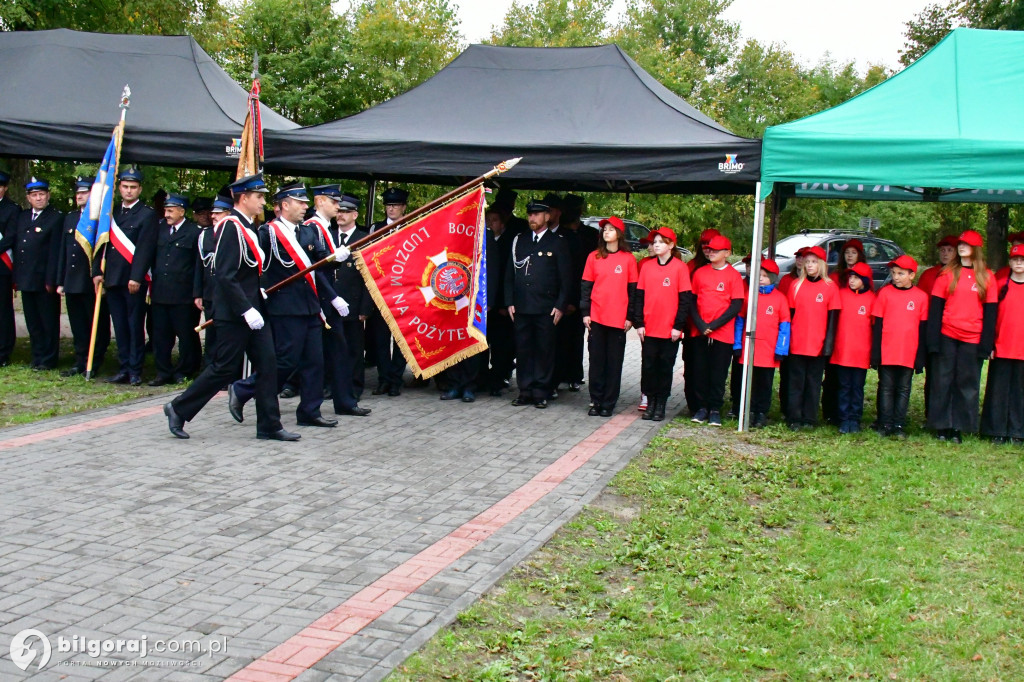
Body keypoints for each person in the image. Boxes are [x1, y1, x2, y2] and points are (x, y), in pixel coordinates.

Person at [164, 173, 297, 441]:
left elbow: (246, 271)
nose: (262, 202)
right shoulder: (230, 227)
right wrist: (245, 309)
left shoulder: (247, 226)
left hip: (253, 309)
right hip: (235, 313)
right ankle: (178, 408)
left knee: (269, 365)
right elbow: (224, 274)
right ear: (244, 198)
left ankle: (269, 425)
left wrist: (256, 292)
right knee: (223, 368)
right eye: (259, 197)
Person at [229, 183, 348, 428]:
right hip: (284, 307)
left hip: (310, 306)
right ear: (284, 205)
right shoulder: (267, 232)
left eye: (306, 202)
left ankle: (309, 411)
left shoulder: (308, 233)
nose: (306, 207)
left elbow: (320, 266)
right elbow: (254, 266)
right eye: (300, 202)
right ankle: (243, 389)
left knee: (315, 361)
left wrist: (336, 259)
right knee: (286, 361)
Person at [306, 184, 371, 417]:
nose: (338, 209)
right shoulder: (312, 229)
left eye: (342, 206)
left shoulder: (328, 230)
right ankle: (246, 389)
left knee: (344, 352)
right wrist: (333, 298)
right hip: (323, 302)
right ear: (321, 202)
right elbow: (315, 271)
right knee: (312, 355)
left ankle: (345, 399)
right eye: (335, 203)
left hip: (342, 303)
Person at [927, 229, 998, 443]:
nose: (961, 247)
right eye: (960, 245)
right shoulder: (947, 274)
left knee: (966, 383)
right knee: (942, 381)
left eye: (966, 245)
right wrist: (933, 340)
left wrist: (987, 344)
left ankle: (959, 426)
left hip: (972, 338)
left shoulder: (987, 276)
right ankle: (941, 426)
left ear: (975, 249)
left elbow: (991, 312)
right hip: (948, 334)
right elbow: (936, 309)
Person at [505, 198, 572, 408]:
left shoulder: (558, 242)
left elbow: (566, 278)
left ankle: (541, 391)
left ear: (547, 217)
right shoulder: (520, 239)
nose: (532, 217)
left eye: (536, 214)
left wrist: (561, 305)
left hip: (546, 307)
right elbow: (509, 274)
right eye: (530, 214)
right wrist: (509, 301)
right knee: (523, 350)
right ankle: (525, 391)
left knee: (544, 351)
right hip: (522, 305)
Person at [94, 166, 158, 386]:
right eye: (125, 186)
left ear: (140, 189)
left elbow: (145, 248)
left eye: (133, 187)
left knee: (134, 326)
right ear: (119, 187)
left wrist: (137, 277)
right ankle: (123, 367)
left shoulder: (147, 214)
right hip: (112, 278)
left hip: (132, 281)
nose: (128, 191)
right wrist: (97, 271)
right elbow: (102, 243)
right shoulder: (112, 213)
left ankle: (135, 369)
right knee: (119, 326)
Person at [632, 227, 691, 422]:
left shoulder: (680, 268)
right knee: (648, 366)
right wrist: (639, 323)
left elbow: (684, 300)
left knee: (665, 367)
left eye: (660, 242)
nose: (655, 245)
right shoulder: (647, 266)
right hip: (649, 328)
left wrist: (678, 326)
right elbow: (639, 297)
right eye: (654, 242)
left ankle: (661, 404)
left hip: (669, 330)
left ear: (671, 245)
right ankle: (649, 402)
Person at [581, 216, 637, 417]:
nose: (606, 232)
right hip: (597, 317)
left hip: (618, 318)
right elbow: (586, 287)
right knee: (596, 362)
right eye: (604, 229)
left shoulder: (628, 259)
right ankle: (596, 400)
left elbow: (633, 290)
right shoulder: (593, 257)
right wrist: (585, 312)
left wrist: (630, 317)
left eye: (611, 229)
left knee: (614, 363)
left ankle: (609, 402)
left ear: (619, 234)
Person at [321, 192, 372, 406]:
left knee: (352, 349)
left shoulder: (364, 239)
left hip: (352, 304)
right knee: (331, 347)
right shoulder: (328, 236)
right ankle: (332, 385)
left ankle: (354, 386)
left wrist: (365, 308)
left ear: (355, 215)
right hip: (329, 304)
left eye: (345, 211)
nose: (340, 215)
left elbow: (370, 278)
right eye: (338, 211)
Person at [56, 176, 110, 376]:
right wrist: (60, 280)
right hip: (71, 280)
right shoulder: (70, 218)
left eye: (84, 192)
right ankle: (80, 360)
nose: (79, 196)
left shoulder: (100, 219)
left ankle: (94, 361)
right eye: (78, 192)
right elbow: (64, 250)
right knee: (78, 324)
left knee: (96, 323)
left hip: (90, 281)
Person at [689, 234, 744, 426]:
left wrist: (714, 325)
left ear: (727, 253)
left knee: (718, 372)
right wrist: (701, 325)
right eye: (710, 249)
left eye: (716, 250)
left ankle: (714, 409)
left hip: (722, 333)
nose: (711, 253)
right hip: (700, 331)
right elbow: (692, 301)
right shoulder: (700, 272)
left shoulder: (734, 275)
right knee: (700, 370)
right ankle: (701, 407)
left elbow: (736, 305)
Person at [871, 255, 928, 439]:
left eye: (901, 273)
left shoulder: (921, 297)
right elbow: (878, 324)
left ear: (912, 275)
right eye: (894, 273)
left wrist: (920, 357)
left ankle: (898, 423)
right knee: (886, 387)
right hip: (888, 350)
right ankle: (884, 422)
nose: (896, 277)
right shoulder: (885, 293)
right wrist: (876, 352)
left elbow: (922, 328)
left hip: (908, 352)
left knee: (903, 388)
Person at [148, 193, 202, 385]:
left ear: (182, 211)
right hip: (160, 293)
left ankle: (183, 371)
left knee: (186, 336)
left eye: (171, 210)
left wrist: (197, 293)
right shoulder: (160, 229)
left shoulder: (194, 232)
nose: (167, 214)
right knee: (160, 336)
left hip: (183, 295)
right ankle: (163, 371)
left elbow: (198, 266)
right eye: (166, 210)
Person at [786, 245, 840, 430]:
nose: (809, 265)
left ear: (822, 264)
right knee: (796, 382)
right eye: (807, 262)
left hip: (818, 344)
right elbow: (790, 315)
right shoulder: (796, 285)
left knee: (813, 382)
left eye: (814, 262)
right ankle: (794, 417)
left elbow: (833, 319)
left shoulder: (830, 287)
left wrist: (828, 345)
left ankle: (809, 418)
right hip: (797, 342)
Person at [733, 259, 790, 428]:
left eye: (765, 276)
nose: (761, 279)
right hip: (749, 348)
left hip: (768, 350)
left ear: (772, 278)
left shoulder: (780, 299)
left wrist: (781, 349)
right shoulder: (748, 297)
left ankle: (761, 412)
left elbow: (785, 327)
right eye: (759, 275)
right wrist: (737, 344)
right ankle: (748, 410)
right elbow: (739, 322)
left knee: (764, 383)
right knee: (749, 381)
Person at [14, 177, 63, 370]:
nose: (38, 198)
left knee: (48, 320)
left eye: (41, 194)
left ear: (48, 195)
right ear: (28, 198)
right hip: (26, 277)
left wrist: (51, 279)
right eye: (34, 195)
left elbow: (55, 251)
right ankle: (37, 355)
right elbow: (20, 248)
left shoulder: (55, 217)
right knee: (32, 320)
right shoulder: (24, 217)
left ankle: (49, 358)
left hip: (44, 278)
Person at [368, 186, 410, 395]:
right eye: (388, 205)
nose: (391, 209)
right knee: (381, 340)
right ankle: (383, 379)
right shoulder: (375, 229)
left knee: (402, 339)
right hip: (381, 292)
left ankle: (396, 379)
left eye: (395, 205)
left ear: (403, 207)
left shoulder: (412, 226)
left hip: (404, 292)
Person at [981, 244, 1024, 443]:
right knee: (998, 391)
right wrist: (989, 344)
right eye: (1015, 260)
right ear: (1010, 262)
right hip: (1002, 346)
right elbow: (990, 317)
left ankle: (1017, 431)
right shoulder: (1000, 285)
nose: (1018, 263)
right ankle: (995, 430)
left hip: (1021, 349)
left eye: (1022, 260)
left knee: (1019, 392)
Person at [829, 261, 875, 433]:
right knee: (843, 386)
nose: (852, 280)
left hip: (861, 352)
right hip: (843, 350)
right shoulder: (840, 294)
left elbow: (873, 324)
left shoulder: (872, 298)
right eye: (850, 277)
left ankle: (855, 418)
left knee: (857, 388)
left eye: (856, 277)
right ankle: (843, 418)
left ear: (865, 280)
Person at [916, 235, 958, 419]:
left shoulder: (962, 274)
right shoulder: (928, 275)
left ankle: (952, 414)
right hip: (932, 329)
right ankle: (931, 414)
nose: (945, 254)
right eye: (942, 250)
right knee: (933, 374)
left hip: (954, 329)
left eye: (949, 250)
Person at [681, 227, 720, 414]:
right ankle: (694, 405)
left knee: (713, 369)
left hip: (716, 329)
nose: (707, 248)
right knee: (692, 368)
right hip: (692, 328)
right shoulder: (691, 266)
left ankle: (711, 405)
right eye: (704, 244)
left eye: (711, 244)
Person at [193, 196, 232, 367]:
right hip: (210, 292)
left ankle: (227, 371)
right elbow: (199, 265)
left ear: (229, 213)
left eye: (218, 213)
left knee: (227, 335)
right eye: (213, 212)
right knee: (211, 335)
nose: (213, 216)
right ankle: (209, 368)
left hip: (229, 293)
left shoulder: (234, 233)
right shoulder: (205, 234)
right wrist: (198, 293)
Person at [482, 200, 515, 396]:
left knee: (501, 345)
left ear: (502, 224)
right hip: (483, 305)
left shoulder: (508, 242)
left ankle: (498, 379)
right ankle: (481, 377)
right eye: (487, 220)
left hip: (501, 306)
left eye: (494, 220)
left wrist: (504, 303)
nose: (490, 223)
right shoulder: (481, 241)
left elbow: (507, 276)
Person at [0, 169, 19, 367]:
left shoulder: (11, 209)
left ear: (4, 188)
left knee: (2, 311)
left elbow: (10, 237)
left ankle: (3, 351)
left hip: (1, 267)